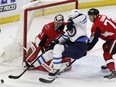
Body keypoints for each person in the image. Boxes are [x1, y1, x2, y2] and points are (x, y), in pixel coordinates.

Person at [33, 9, 89, 78]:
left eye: (72, 18)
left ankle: (56, 70)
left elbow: (84, 16)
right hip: (73, 47)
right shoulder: (67, 27)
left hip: (80, 47)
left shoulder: (81, 24)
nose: (70, 19)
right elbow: (64, 37)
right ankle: (33, 65)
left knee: (58, 48)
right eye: (70, 18)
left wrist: (71, 21)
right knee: (52, 51)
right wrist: (56, 41)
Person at [87, 8, 116, 79]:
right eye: (90, 16)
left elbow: (94, 40)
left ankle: (113, 71)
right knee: (105, 46)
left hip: (115, 37)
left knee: (107, 53)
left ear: (96, 15)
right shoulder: (102, 17)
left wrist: (87, 48)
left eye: (92, 16)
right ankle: (110, 63)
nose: (90, 18)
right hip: (113, 36)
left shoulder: (97, 26)